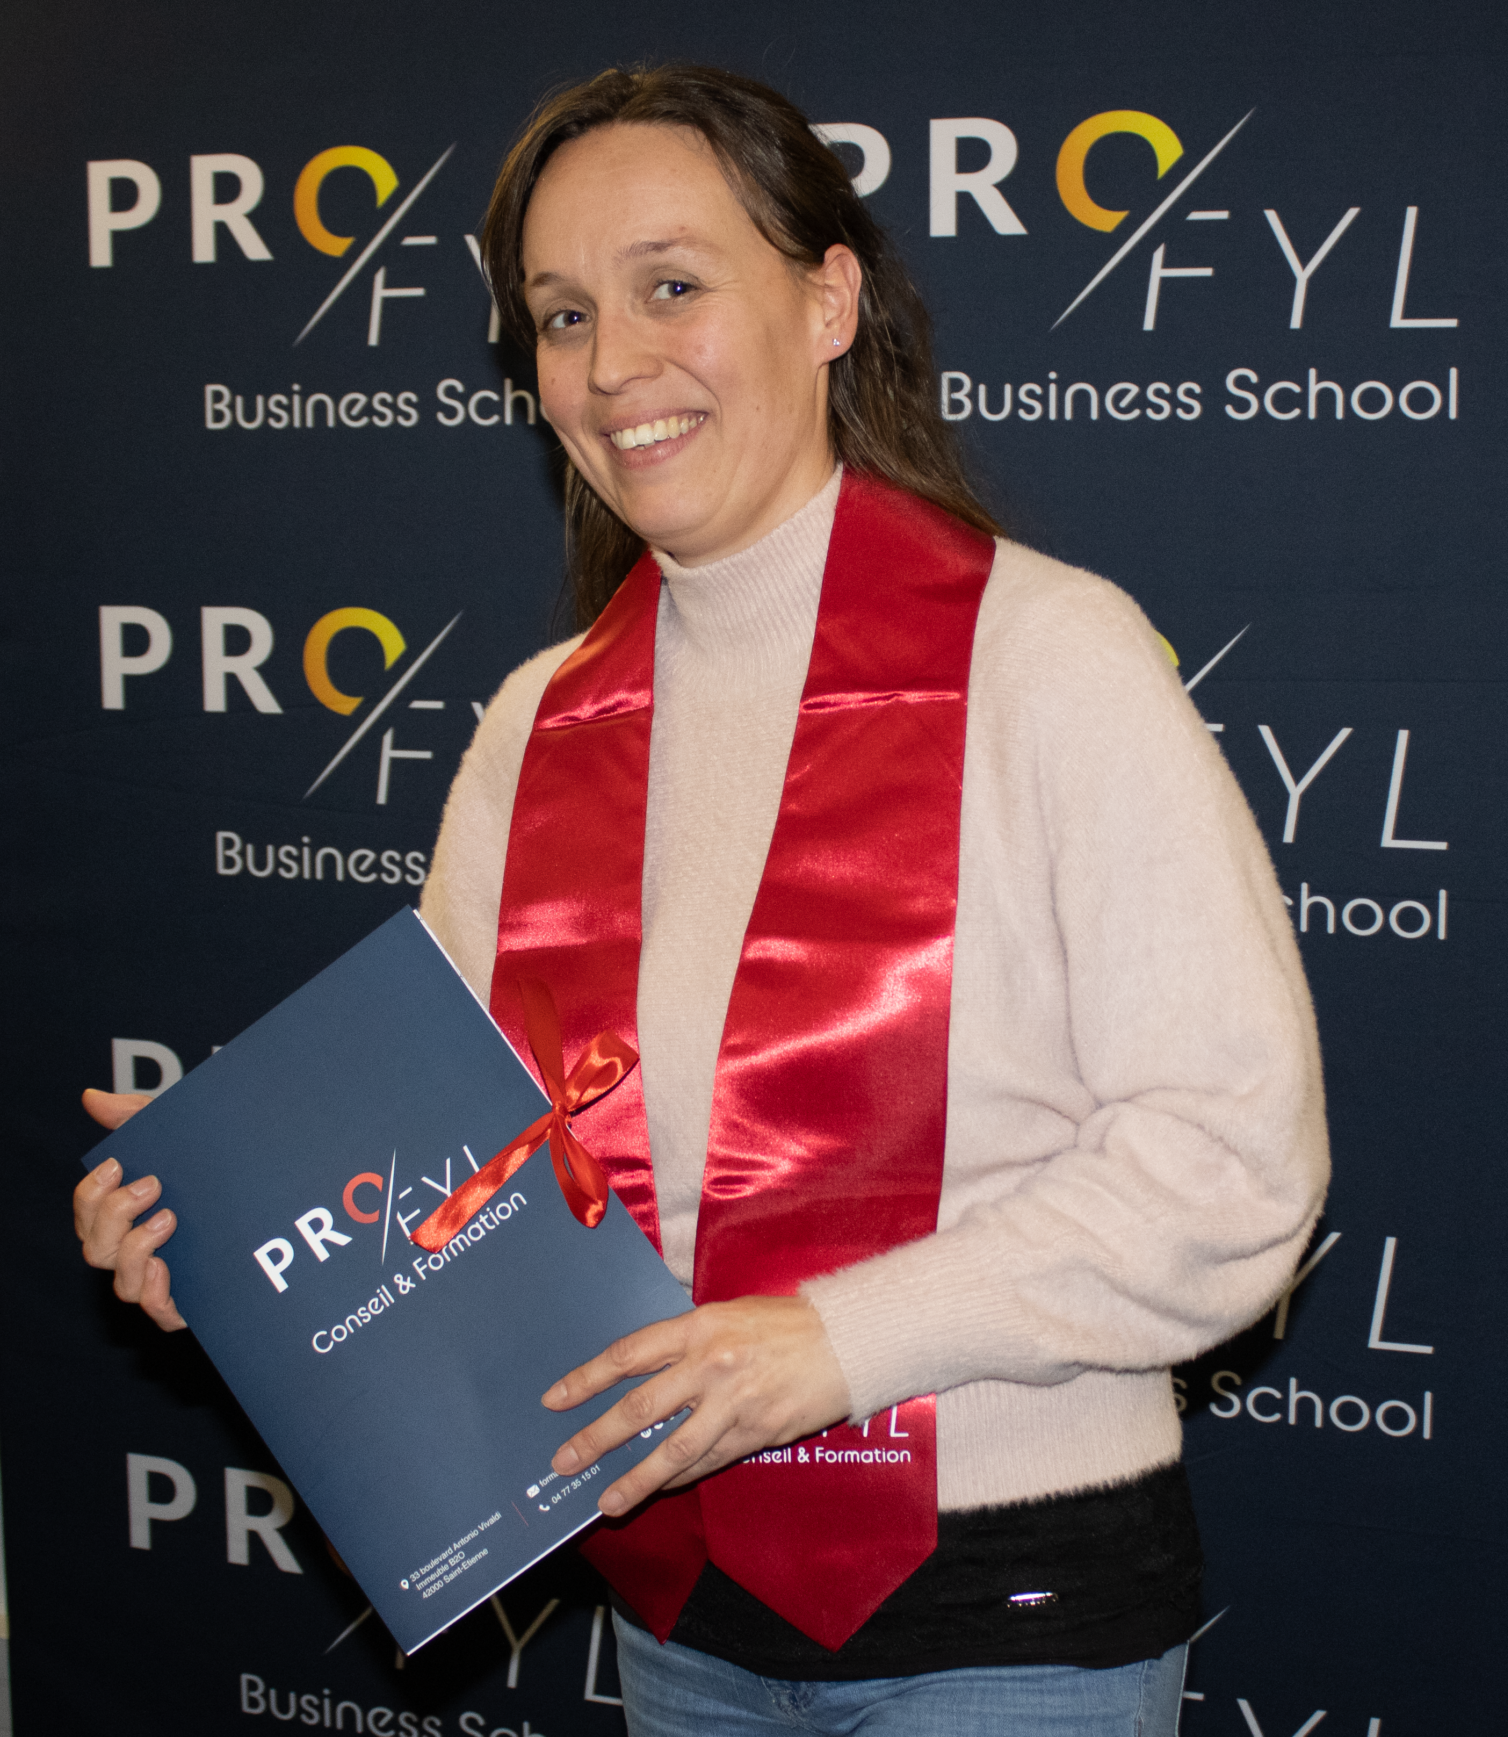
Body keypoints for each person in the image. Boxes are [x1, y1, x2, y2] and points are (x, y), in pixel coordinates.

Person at [73, 62, 1327, 1736]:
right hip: (681, 1622)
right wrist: (238, 1245)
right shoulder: (534, 723)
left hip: (1011, 1619)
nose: (612, 365)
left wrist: (830, 1343)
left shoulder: (1049, 658)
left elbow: (1233, 1168)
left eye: (673, 287)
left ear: (827, 301)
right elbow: (468, 1175)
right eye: (562, 314)